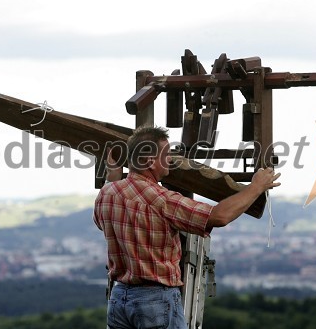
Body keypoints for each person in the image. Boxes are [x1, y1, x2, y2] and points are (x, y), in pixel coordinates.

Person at [93, 125, 280, 329]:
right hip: (155, 300)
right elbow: (219, 216)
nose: (171, 160)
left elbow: (104, 221)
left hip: (119, 298)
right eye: (166, 154)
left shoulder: (106, 194)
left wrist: (114, 175)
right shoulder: (163, 200)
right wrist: (256, 187)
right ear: (150, 161)